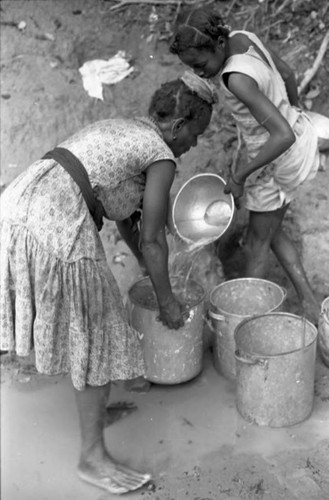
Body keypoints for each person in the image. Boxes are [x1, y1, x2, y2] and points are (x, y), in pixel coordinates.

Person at [0, 76, 215, 494]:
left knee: (88, 323)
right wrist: (168, 304)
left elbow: (124, 217)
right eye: (195, 133)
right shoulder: (161, 155)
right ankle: (92, 458)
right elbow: (153, 238)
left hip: (16, 206)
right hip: (56, 222)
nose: (194, 144)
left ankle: (94, 411)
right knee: (95, 333)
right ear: (177, 126)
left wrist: (146, 272)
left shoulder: (129, 129)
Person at [170, 7, 320, 323]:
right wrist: (292, 109)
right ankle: (308, 301)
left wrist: (239, 176)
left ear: (218, 45)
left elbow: (282, 135)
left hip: (278, 159)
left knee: (255, 244)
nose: (199, 73)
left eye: (200, 65)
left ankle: (249, 325)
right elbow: (289, 74)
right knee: (270, 231)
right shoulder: (243, 37)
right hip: (293, 138)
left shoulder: (235, 79)